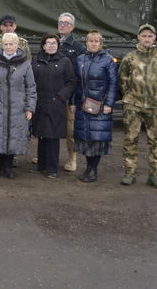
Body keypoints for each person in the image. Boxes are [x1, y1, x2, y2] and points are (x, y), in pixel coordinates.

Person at [118, 24, 157, 189]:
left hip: (154, 106)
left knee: (155, 141)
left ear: (154, 38)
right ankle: (130, 172)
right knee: (130, 139)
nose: (147, 39)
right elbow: (123, 79)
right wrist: (129, 96)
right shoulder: (130, 58)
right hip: (133, 105)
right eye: (144, 36)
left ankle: (154, 175)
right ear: (138, 38)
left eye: (150, 36)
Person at [0, 33, 36, 179]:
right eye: (6, 44)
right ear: (2, 45)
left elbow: (30, 87)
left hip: (17, 106)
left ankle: (8, 166)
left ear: (17, 45)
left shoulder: (25, 63)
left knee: (13, 135)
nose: (8, 47)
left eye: (11, 44)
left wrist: (30, 108)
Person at [70, 30, 118, 183]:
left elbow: (113, 83)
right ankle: (88, 168)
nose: (93, 43)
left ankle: (93, 170)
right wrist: (73, 101)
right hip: (83, 105)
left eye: (96, 41)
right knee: (85, 137)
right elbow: (76, 82)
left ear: (100, 43)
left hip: (100, 106)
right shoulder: (80, 59)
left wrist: (109, 104)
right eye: (91, 41)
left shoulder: (108, 60)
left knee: (97, 139)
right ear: (87, 42)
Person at [30, 33, 77, 178]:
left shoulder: (65, 61)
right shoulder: (36, 60)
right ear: (43, 46)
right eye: (48, 43)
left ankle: (52, 168)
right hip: (40, 103)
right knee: (42, 135)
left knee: (52, 137)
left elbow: (71, 81)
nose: (51, 46)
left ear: (58, 45)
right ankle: (41, 165)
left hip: (56, 104)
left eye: (54, 43)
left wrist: (62, 96)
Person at [57, 12, 86, 172]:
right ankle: (46, 155)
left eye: (66, 23)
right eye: (61, 22)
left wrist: (75, 100)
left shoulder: (78, 48)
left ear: (73, 27)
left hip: (69, 95)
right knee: (48, 124)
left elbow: (79, 77)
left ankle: (72, 159)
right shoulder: (52, 42)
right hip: (52, 93)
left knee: (70, 129)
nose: (63, 25)